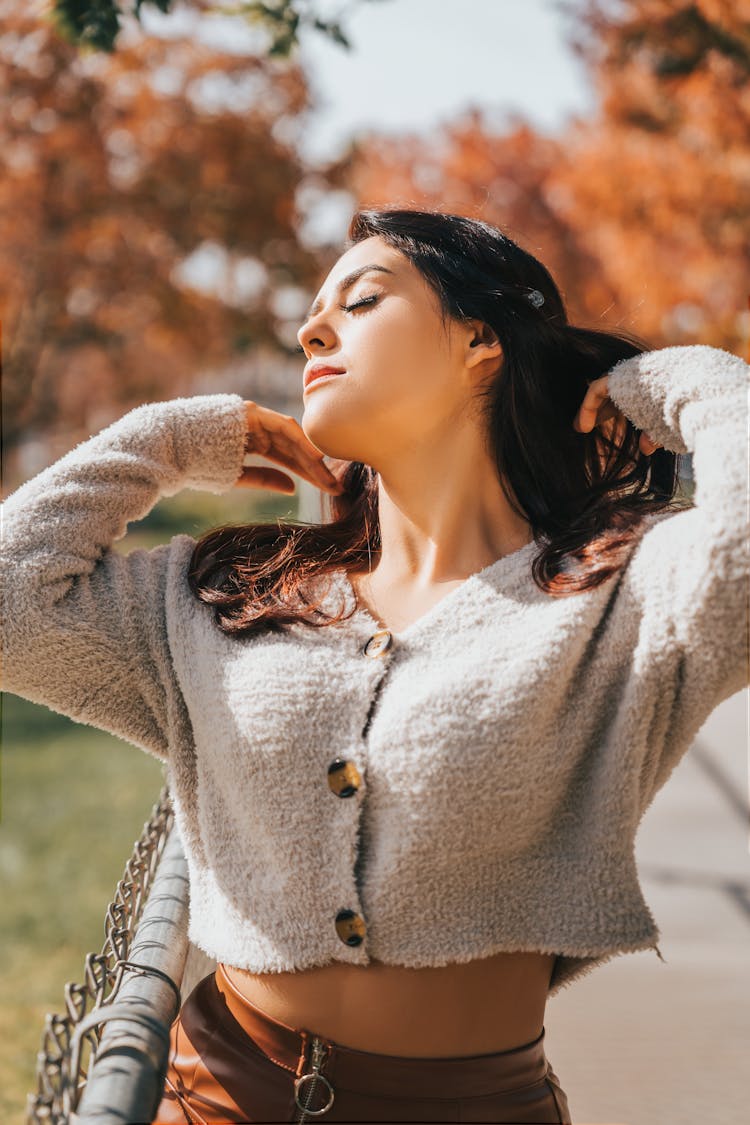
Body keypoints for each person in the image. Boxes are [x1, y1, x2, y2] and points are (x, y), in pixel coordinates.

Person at [2, 207, 747, 1125]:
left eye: (361, 300)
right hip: (211, 1095)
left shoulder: (616, 592)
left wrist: (685, 383)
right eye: (314, 311)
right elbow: (10, 603)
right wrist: (170, 440)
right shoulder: (227, 589)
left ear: (483, 340)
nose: (313, 328)